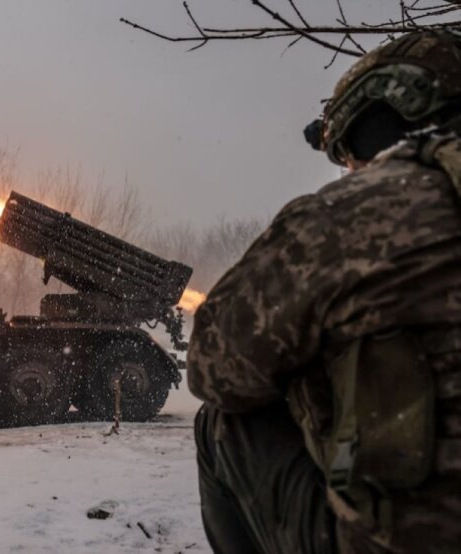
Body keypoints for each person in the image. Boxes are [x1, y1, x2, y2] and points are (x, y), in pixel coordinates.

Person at [187, 30, 461, 554]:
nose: (349, 170)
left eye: (348, 155)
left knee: (224, 422)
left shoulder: (346, 219)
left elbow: (213, 369)